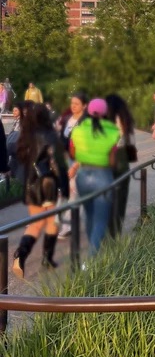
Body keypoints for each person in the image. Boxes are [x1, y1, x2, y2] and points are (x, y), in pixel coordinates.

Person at [12, 104, 68, 277]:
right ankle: (47, 258)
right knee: (52, 222)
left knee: (35, 224)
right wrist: (64, 188)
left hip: (31, 184)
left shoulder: (25, 136)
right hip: (48, 184)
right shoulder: (51, 136)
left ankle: (20, 254)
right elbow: (59, 165)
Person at [69, 98, 120, 256]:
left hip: (83, 176)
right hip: (103, 176)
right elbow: (112, 159)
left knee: (89, 215)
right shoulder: (112, 131)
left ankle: (94, 251)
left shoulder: (78, 130)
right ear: (105, 113)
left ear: (88, 112)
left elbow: (73, 152)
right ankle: (91, 262)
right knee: (100, 219)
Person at [56, 92, 88, 239]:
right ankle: (59, 221)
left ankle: (67, 225)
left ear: (84, 106)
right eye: (72, 103)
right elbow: (63, 142)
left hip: (81, 162)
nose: (73, 106)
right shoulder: (68, 120)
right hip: (67, 161)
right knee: (65, 191)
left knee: (73, 192)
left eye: (77, 104)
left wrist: (75, 166)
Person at [105, 93, 136, 236]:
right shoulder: (124, 120)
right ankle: (115, 232)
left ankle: (109, 234)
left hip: (107, 162)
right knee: (120, 200)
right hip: (122, 161)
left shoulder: (105, 121)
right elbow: (130, 141)